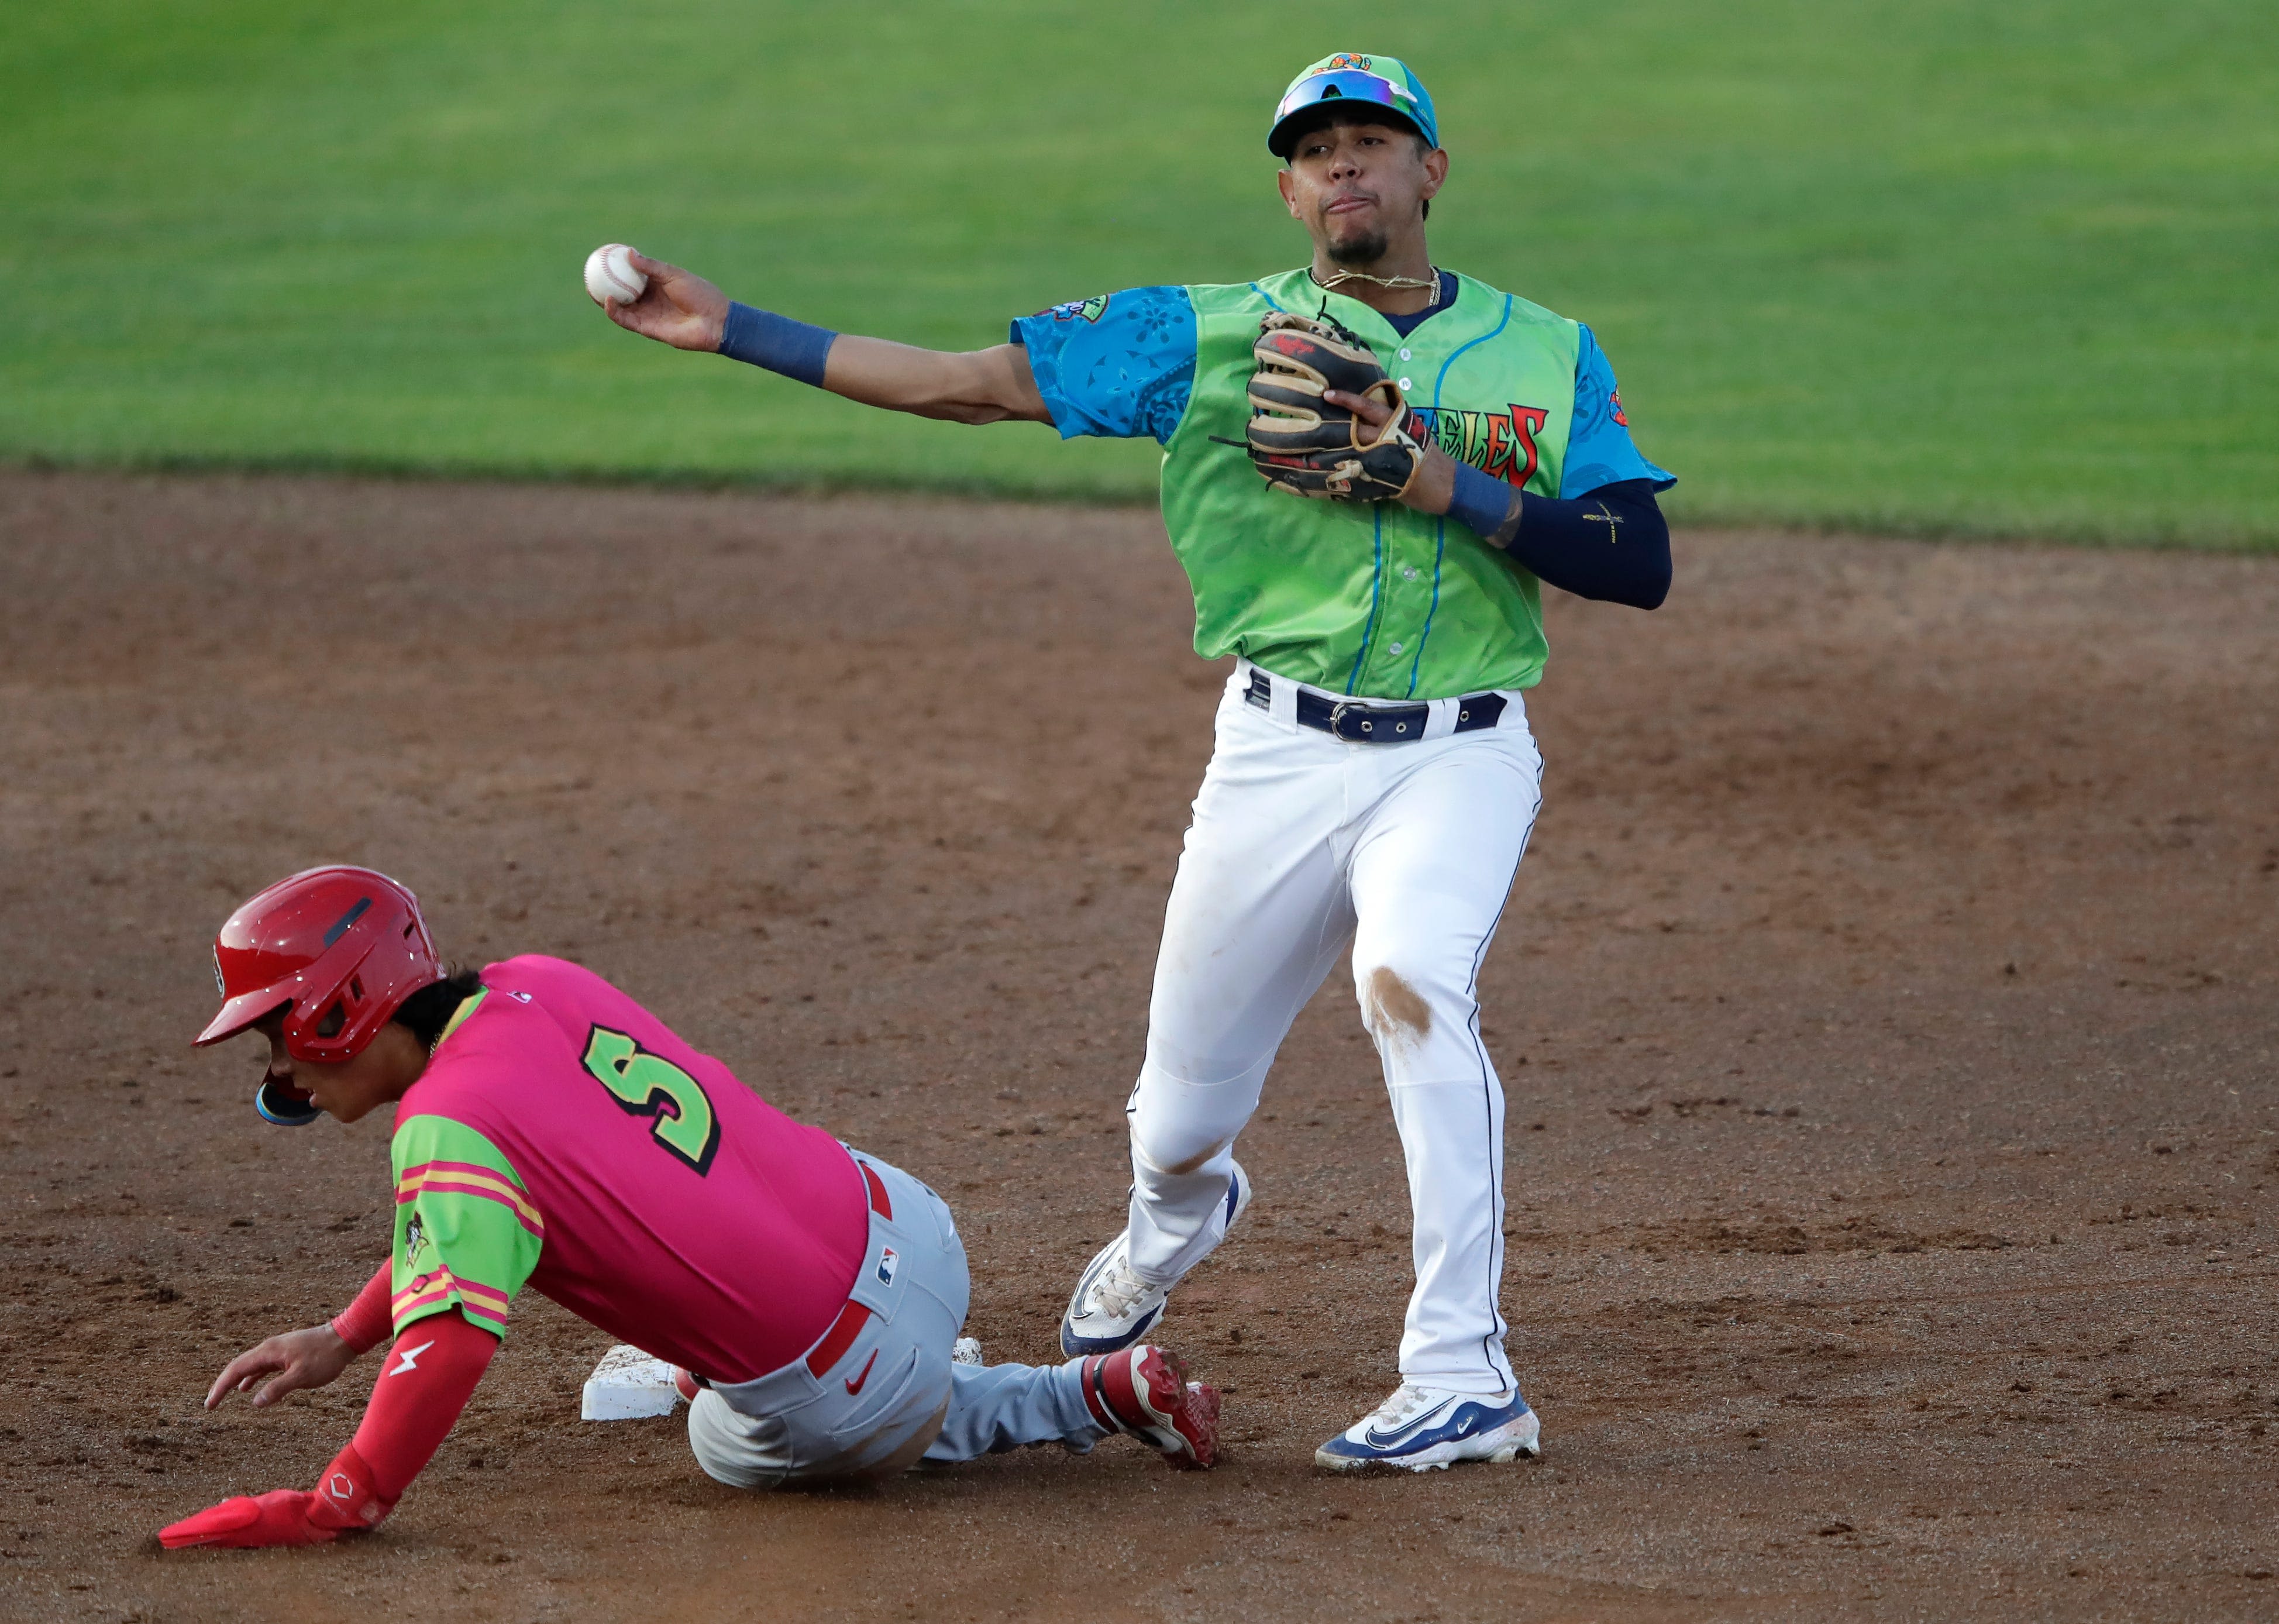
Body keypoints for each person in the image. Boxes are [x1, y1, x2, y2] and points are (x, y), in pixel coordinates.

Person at [596, 53, 1674, 1472]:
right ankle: (1174, 1225)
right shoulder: (1204, 334)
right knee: (1177, 1121)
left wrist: (1436, 481)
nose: (1346, 165)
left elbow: (1636, 562)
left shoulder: (1547, 348)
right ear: (1288, 189)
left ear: (1431, 172)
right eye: (1317, 150)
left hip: (1460, 755)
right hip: (1276, 753)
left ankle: (1462, 1370)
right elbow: (967, 386)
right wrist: (733, 328)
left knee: (1410, 984)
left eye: (1374, 142)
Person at [159, 866, 1218, 1551]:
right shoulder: (536, 983)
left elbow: (452, 1334)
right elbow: (482, 1215)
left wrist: (345, 1496)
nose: (278, 1068)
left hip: (854, 1378)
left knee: (725, 1437)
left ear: (341, 1011)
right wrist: (343, 1337)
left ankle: (1072, 1398)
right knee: (726, 1270)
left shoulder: (440, 1129)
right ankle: (899, 1369)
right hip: (912, 1226)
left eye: (276, 1035)